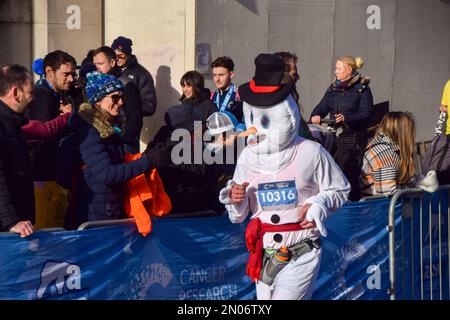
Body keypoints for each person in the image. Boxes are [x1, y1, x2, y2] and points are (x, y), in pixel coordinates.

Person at [219, 54, 350, 300]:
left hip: (300, 250)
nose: (255, 129)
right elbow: (239, 214)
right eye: (252, 119)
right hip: (265, 252)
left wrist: (318, 204)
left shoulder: (309, 152)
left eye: (265, 120)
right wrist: (236, 198)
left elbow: (340, 189)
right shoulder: (247, 156)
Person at [57, 72, 160, 229]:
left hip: (107, 210)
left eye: (121, 97)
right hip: (94, 216)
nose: (120, 102)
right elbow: (107, 173)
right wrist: (148, 161)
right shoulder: (90, 131)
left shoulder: (110, 129)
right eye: (114, 97)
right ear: (98, 101)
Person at [26, 50, 78, 228]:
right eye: (66, 74)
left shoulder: (59, 95)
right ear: (49, 71)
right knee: (48, 230)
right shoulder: (41, 95)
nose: (71, 79)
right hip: (45, 176)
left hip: (55, 175)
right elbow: (46, 133)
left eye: (73, 74)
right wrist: (67, 118)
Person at [310, 56, 373, 200]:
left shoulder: (362, 90)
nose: (335, 71)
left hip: (353, 139)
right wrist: (316, 115)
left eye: (338, 68)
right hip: (334, 139)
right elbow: (321, 107)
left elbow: (367, 113)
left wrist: (347, 118)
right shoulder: (333, 88)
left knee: (347, 173)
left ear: (349, 70)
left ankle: (349, 204)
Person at [0, 65, 36, 237]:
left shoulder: (13, 123)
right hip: (8, 229)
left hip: (20, 221)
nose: (33, 98)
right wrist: (11, 221)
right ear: (16, 93)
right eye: (30, 93)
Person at [93, 46, 143, 154]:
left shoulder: (126, 84)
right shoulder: (98, 85)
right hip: (108, 140)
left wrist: (125, 139)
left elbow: (135, 117)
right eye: (95, 65)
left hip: (125, 143)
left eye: (100, 64)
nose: (97, 68)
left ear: (112, 63)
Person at [360, 112, 416, 196]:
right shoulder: (384, 153)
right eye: (410, 131)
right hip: (378, 206)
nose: (411, 135)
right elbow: (388, 193)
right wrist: (418, 189)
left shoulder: (387, 145)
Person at [111, 36, 157, 118]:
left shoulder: (142, 74)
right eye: (114, 56)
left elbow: (150, 106)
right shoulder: (110, 70)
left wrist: (129, 109)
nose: (117, 59)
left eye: (120, 55)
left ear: (128, 54)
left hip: (129, 124)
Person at [274, 51, 313, 140]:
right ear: (283, 75)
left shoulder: (254, 100)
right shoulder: (286, 102)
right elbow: (301, 135)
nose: (297, 77)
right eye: (294, 74)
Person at [210, 56, 243, 122]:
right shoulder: (211, 96)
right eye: (214, 75)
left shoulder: (239, 96)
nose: (217, 79)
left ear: (231, 75)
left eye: (221, 75)